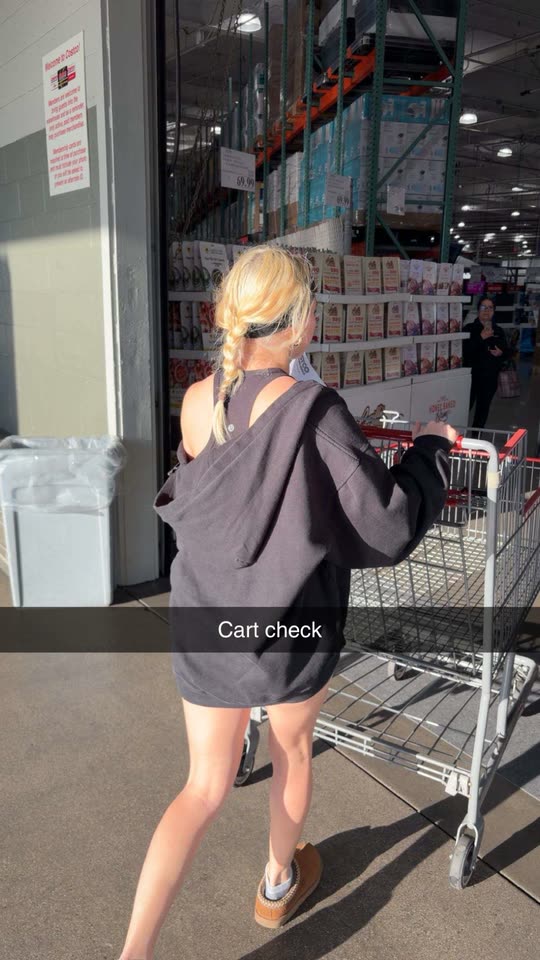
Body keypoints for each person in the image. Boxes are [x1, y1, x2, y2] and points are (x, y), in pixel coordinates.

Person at [118, 247, 456, 960]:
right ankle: (277, 883)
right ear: (300, 322)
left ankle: (134, 952)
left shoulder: (198, 398)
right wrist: (428, 451)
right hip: (288, 628)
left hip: (206, 620)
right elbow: (387, 523)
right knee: (292, 751)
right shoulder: (314, 410)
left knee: (201, 788)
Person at [463, 297, 509, 429]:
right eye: (483, 307)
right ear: (478, 310)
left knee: (482, 411)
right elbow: (465, 351)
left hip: (489, 378)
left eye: (490, 308)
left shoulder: (498, 331)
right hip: (471, 377)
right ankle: (457, 436)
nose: (487, 311)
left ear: (494, 311)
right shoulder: (469, 329)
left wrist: (501, 353)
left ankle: (476, 437)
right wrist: (481, 338)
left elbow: (506, 352)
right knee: (464, 408)